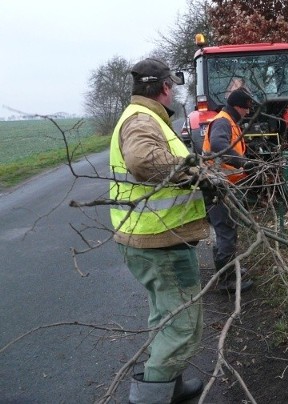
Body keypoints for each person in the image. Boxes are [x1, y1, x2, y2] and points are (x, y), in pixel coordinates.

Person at [109, 58, 210, 403]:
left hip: (154, 237)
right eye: (174, 85)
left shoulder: (144, 117)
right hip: (159, 241)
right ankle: (151, 396)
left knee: (167, 317)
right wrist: (195, 173)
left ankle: (171, 385)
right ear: (166, 87)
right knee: (182, 326)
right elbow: (142, 161)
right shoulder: (142, 120)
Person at [202, 88, 256, 292]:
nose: (248, 112)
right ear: (238, 106)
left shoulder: (228, 121)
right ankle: (227, 281)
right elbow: (217, 144)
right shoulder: (223, 121)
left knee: (228, 229)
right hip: (218, 186)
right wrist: (243, 163)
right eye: (247, 108)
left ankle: (229, 269)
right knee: (226, 232)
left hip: (225, 185)